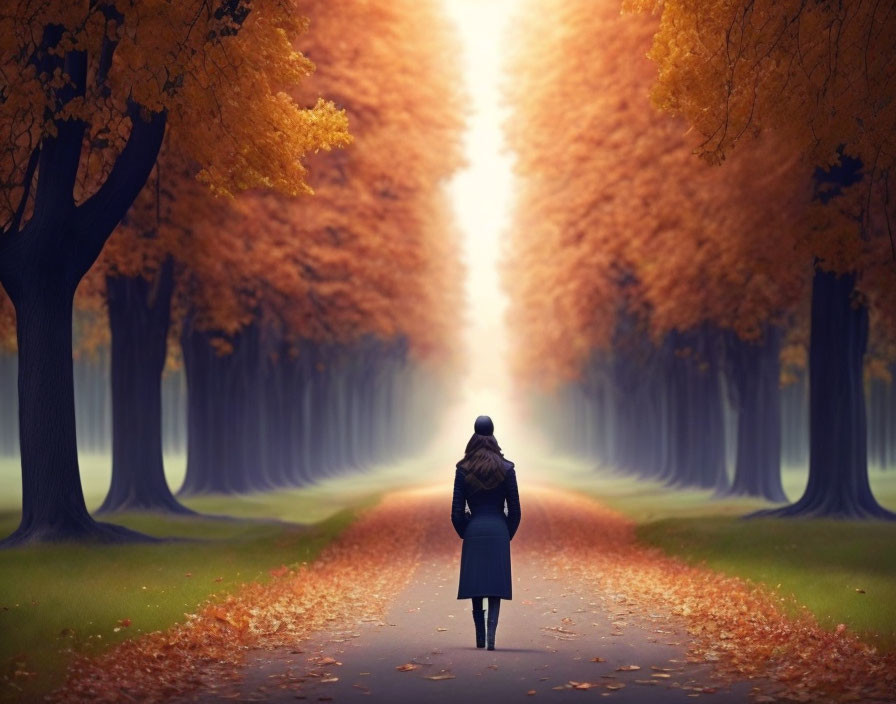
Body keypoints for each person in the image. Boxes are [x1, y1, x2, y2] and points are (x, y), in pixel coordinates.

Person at [451, 415, 521, 651]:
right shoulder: (507, 468)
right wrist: (506, 534)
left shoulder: (462, 470)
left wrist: (465, 532)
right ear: (493, 435)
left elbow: (456, 512)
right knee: (494, 584)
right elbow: (515, 510)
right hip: (498, 529)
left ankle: (479, 638)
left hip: (474, 529)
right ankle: (492, 638)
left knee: (477, 583)